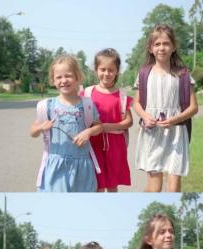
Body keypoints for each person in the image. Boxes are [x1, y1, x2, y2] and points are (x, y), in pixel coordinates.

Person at [132, 24, 198, 192]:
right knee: (154, 187)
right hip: (151, 132)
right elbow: (136, 103)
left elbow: (193, 108)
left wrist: (174, 120)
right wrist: (145, 116)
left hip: (176, 133)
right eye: (157, 44)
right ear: (150, 48)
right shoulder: (144, 74)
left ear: (173, 46)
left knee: (173, 186)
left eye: (166, 43)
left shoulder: (183, 74)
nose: (162, 47)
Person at [31, 55, 103, 192]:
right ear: (53, 80)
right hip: (56, 165)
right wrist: (41, 127)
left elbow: (99, 126)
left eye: (68, 76)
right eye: (58, 77)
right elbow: (32, 131)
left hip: (82, 165)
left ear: (78, 77)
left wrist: (88, 132)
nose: (63, 80)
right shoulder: (48, 106)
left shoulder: (87, 104)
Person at [81, 49, 133, 192]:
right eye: (102, 69)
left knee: (112, 184)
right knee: (96, 184)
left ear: (117, 71)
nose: (106, 73)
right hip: (93, 145)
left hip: (115, 146)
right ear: (95, 70)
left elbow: (129, 122)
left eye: (111, 70)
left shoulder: (121, 95)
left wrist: (107, 127)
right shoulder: (87, 93)